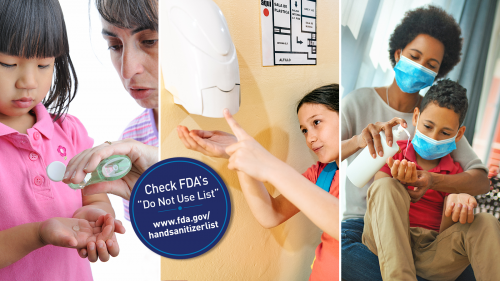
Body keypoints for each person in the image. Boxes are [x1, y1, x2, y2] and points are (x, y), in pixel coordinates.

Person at [341, 6, 488, 280]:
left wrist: (432, 180)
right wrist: (358, 140)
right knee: (348, 257)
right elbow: (325, 155)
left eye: (431, 65)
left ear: (438, 73)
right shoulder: (358, 102)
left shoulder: (436, 120)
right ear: (398, 53)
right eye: (415, 56)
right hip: (361, 226)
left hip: (425, 236)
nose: (420, 67)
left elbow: (480, 180)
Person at [0, 0, 124, 280]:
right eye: (8, 63)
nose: (28, 81)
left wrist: (99, 212)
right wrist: (38, 234)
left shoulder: (70, 131)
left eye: (44, 64)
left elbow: (92, 192)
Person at [178, 84, 340, 281]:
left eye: (316, 122)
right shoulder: (321, 174)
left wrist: (267, 164)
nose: (310, 137)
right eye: (304, 130)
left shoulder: (370, 168)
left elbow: (341, 224)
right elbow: (271, 214)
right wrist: (239, 153)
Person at [363, 79, 500, 280]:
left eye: (445, 133)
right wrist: (398, 180)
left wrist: (455, 207)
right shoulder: (394, 152)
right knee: (385, 186)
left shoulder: (456, 173)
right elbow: (377, 199)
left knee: (487, 222)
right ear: (416, 117)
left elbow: (447, 235)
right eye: (428, 126)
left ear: (459, 134)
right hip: (387, 238)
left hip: (431, 252)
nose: (434, 137)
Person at [95, 0, 159, 222]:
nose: (128, 70)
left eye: (150, 41)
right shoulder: (133, 139)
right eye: (115, 45)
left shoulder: (226, 129)